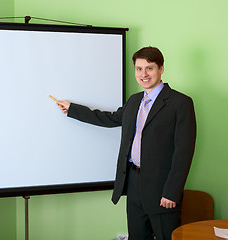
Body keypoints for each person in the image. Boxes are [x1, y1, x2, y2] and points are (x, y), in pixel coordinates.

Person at [56, 47, 196, 240]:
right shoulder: (134, 101)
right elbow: (109, 119)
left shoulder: (180, 103)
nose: (144, 74)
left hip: (162, 189)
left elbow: (184, 153)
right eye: (139, 69)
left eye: (149, 68)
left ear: (161, 68)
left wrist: (171, 192)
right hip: (133, 184)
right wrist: (73, 109)